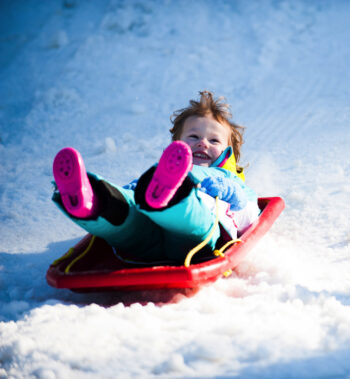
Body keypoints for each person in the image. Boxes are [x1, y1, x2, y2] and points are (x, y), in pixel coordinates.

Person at [52, 91, 259, 264]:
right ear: (177, 146)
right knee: (126, 213)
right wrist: (123, 195)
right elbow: (131, 194)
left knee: (188, 214)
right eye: (193, 137)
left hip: (195, 239)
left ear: (227, 153)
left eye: (214, 140)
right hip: (148, 231)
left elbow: (251, 212)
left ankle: (170, 197)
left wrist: (233, 193)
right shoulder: (159, 173)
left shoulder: (226, 177)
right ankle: (94, 201)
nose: (203, 143)